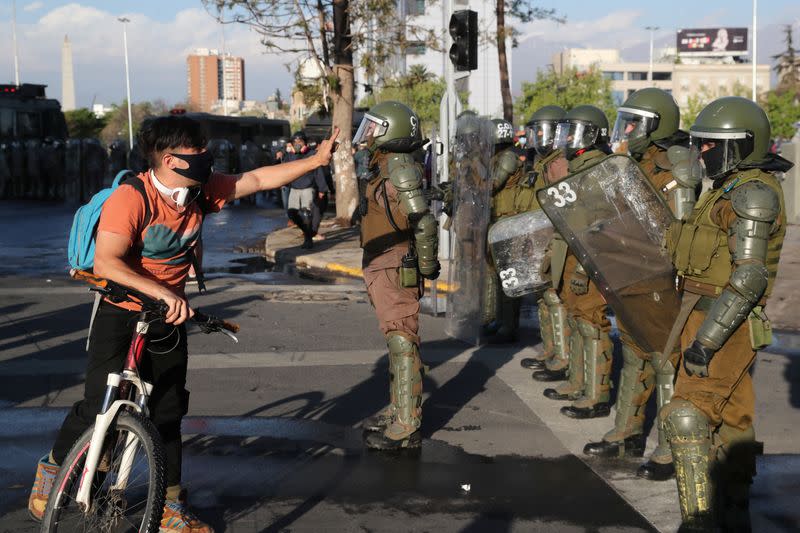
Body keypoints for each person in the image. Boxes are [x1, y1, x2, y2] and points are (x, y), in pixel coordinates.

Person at [28, 115, 339, 533]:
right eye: (199, 152)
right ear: (171, 159)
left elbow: (257, 179)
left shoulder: (200, 192)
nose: (207, 159)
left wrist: (315, 160)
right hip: (121, 309)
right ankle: (52, 467)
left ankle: (171, 507)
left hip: (168, 315)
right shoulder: (131, 198)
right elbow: (107, 262)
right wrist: (160, 292)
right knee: (95, 405)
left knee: (168, 412)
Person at [662, 96, 790, 530]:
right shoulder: (728, 187)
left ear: (740, 145)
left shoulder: (753, 194)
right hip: (700, 311)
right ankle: (734, 512)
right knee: (733, 420)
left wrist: (707, 340)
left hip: (725, 321)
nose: (702, 153)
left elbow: (749, 279)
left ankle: (697, 521)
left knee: (687, 414)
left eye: (711, 145)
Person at [582, 88, 688, 481]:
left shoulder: (675, 171)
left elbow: (675, 231)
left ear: (657, 125)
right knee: (634, 353)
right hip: (630, 274)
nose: (626, 130)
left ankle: (670, 445)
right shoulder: (627, 166)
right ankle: (626, 430)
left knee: (664, 361)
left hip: (660, 277)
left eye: (634, 122)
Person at [356, 101, 439, 450]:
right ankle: (399, 411)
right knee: (396, 340)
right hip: (381, 261)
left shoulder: (399, 169)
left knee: (402, 342)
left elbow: (423, 220)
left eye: (375, 127)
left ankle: (406, 426)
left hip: (393, 263)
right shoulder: (385, 165)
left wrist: (428, 265)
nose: (368, 133)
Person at [533, 105, 614, 420]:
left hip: (587, 258)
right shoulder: (576, 166)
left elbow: (601, 225)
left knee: (592, 324)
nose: (567, 138)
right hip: (569, 252)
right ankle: (578, 382)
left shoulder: (597, 169)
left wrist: (583, 267)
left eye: (575, 130)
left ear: (592, 134)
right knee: (578, 321)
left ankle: (596, 395)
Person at [517, 105, 569, 368]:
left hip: (553, 239)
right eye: (534, 131)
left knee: (554, 297)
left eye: (541, 131)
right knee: (543, 296)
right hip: (539, 237)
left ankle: (562, 355)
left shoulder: (559, 163)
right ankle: (550, 349)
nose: (537, 137)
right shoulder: (543, 162)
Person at [284, 131, 329, 248]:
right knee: (292, 213)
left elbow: (318, 172)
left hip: (307, 188)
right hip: (294, 188)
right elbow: (282, 168)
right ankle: (307, 232)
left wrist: (322, 189)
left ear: (305, 143)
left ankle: (308, 239)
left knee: (306, 214)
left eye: (300, 141)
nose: (298, 144)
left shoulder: (312, 154)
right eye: (295, 142)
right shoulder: (289, 156)